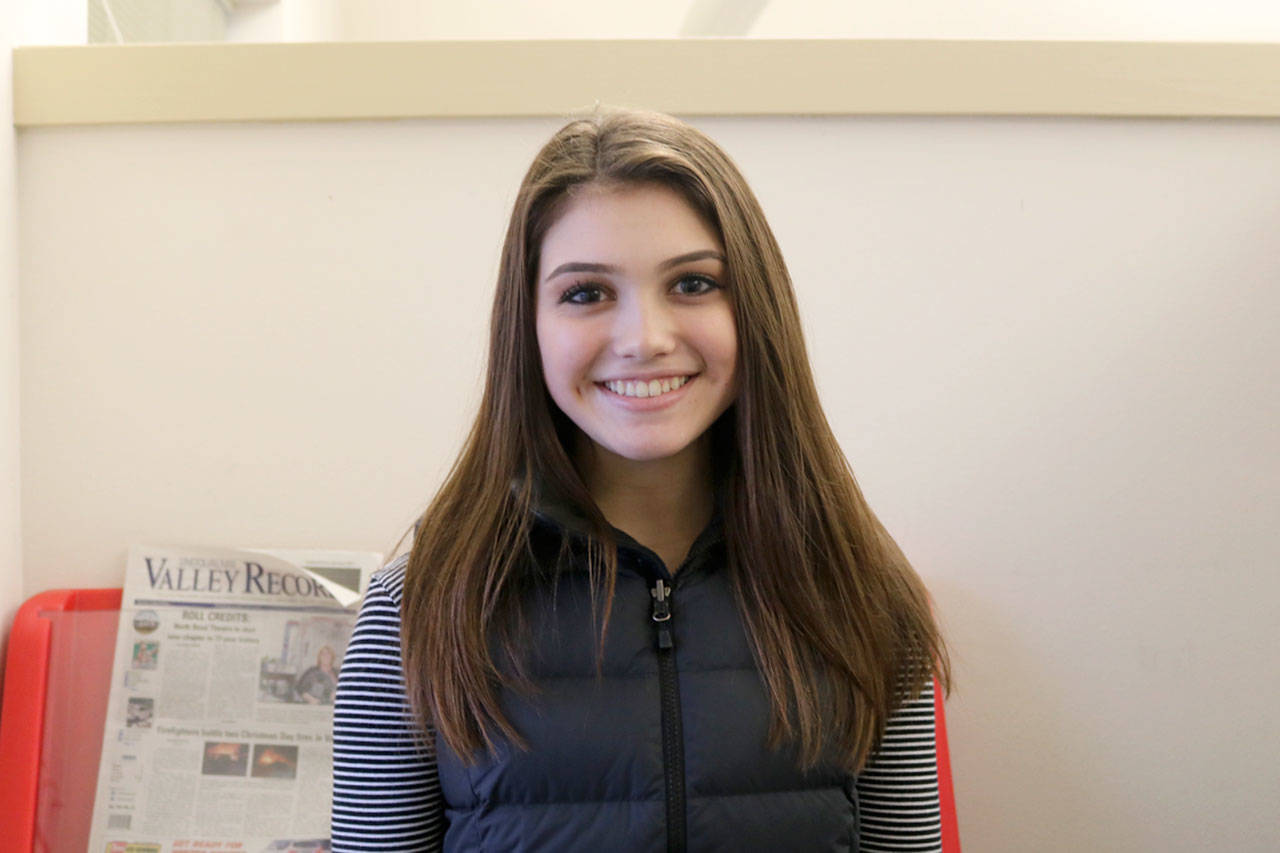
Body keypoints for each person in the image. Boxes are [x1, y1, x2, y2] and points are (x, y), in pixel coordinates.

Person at [332, 108, 951, 852]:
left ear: (756, 310)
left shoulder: (865, 596)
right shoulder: (415, 614)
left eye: (693, 283)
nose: (645, 339)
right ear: (528, 326)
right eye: (586, 293)